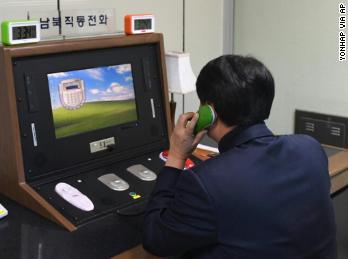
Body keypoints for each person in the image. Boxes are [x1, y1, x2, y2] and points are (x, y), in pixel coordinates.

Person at [142, 55, 336, 258]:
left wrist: (175, 155)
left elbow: (155, 239)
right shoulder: (310, 148)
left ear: (210, 111)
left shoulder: (205, 182)